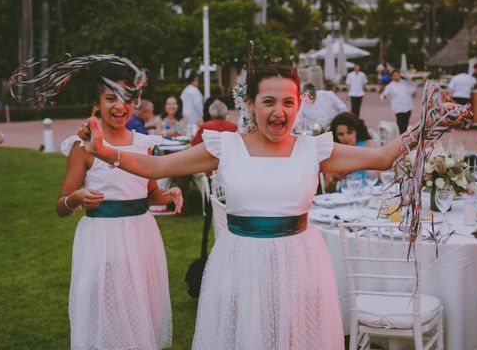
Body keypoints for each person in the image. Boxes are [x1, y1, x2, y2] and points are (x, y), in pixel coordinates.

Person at [78, 64, 420, 350]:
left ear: (298, 105)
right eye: (268, 101)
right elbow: (156, 168)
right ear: (251, 104)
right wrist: (105, 152)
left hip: (300, 263)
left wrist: (430, 123)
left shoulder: (313, 149)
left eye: (288, 102)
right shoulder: (224, 147)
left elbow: (383, 157)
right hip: (240, 263)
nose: (279, 111)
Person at [57, 68, 183, 350]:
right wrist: (76, 197)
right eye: (111, 98)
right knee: (108, 307)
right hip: (102, 239)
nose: (120, 106)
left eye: (127, 98)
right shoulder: (84, 147)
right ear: (97, 104)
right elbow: (61, 206)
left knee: (140, 305)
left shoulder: (143, 144)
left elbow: (149, 194)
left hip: (141, 236)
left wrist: (169, 194)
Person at [324, 112, 376, 190]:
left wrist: (354, 167)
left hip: (368, 193)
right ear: (335, 136)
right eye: (341, 134)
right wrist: (335, 178)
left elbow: (379, 176)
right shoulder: (332, 152)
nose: (345, 137)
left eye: (349, 133)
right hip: (344, 197)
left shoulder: (368, 145)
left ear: (356, 132)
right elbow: (327, 189)